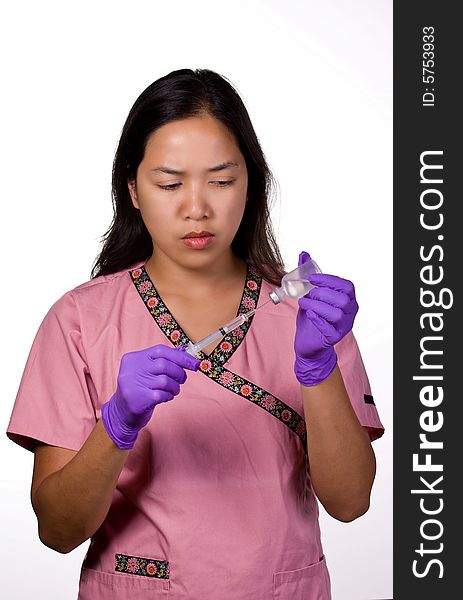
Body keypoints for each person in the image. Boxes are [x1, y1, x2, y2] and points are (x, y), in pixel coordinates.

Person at [6, 68, 384, 600]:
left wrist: (318, 370)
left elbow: (350, 504)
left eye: (223, 180)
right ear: (132, 189)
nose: (197, 208)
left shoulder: (312, 317)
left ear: (251, 185)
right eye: (169, 183)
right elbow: (58, 531)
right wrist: (116, 426)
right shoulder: (79, 321)